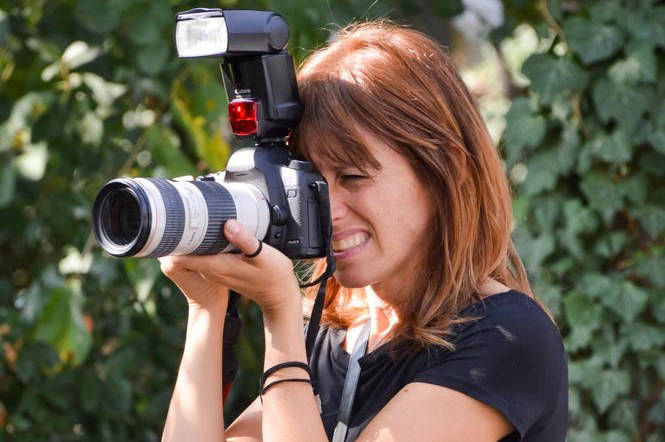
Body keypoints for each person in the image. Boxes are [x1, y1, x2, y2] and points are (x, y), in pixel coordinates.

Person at [159, 20, 568, 442]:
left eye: (353, 177)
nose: (329, 209)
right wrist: (206, 307)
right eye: (313, 182)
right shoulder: (333, 338)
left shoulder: (508, 338)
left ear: (446, 171)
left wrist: (280, 316)